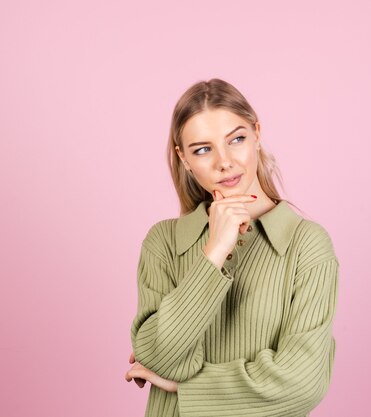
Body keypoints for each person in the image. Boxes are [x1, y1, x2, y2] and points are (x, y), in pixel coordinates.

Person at [124, 78, 340, 416]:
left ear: (257, 134)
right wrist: (214, 252)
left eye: (236, 139)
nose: (224, 162)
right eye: (203, 149)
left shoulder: (306, 245)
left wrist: (188, 388)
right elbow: (160, 356)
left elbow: (302, 383)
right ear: (184, 158)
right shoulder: (164, 242)